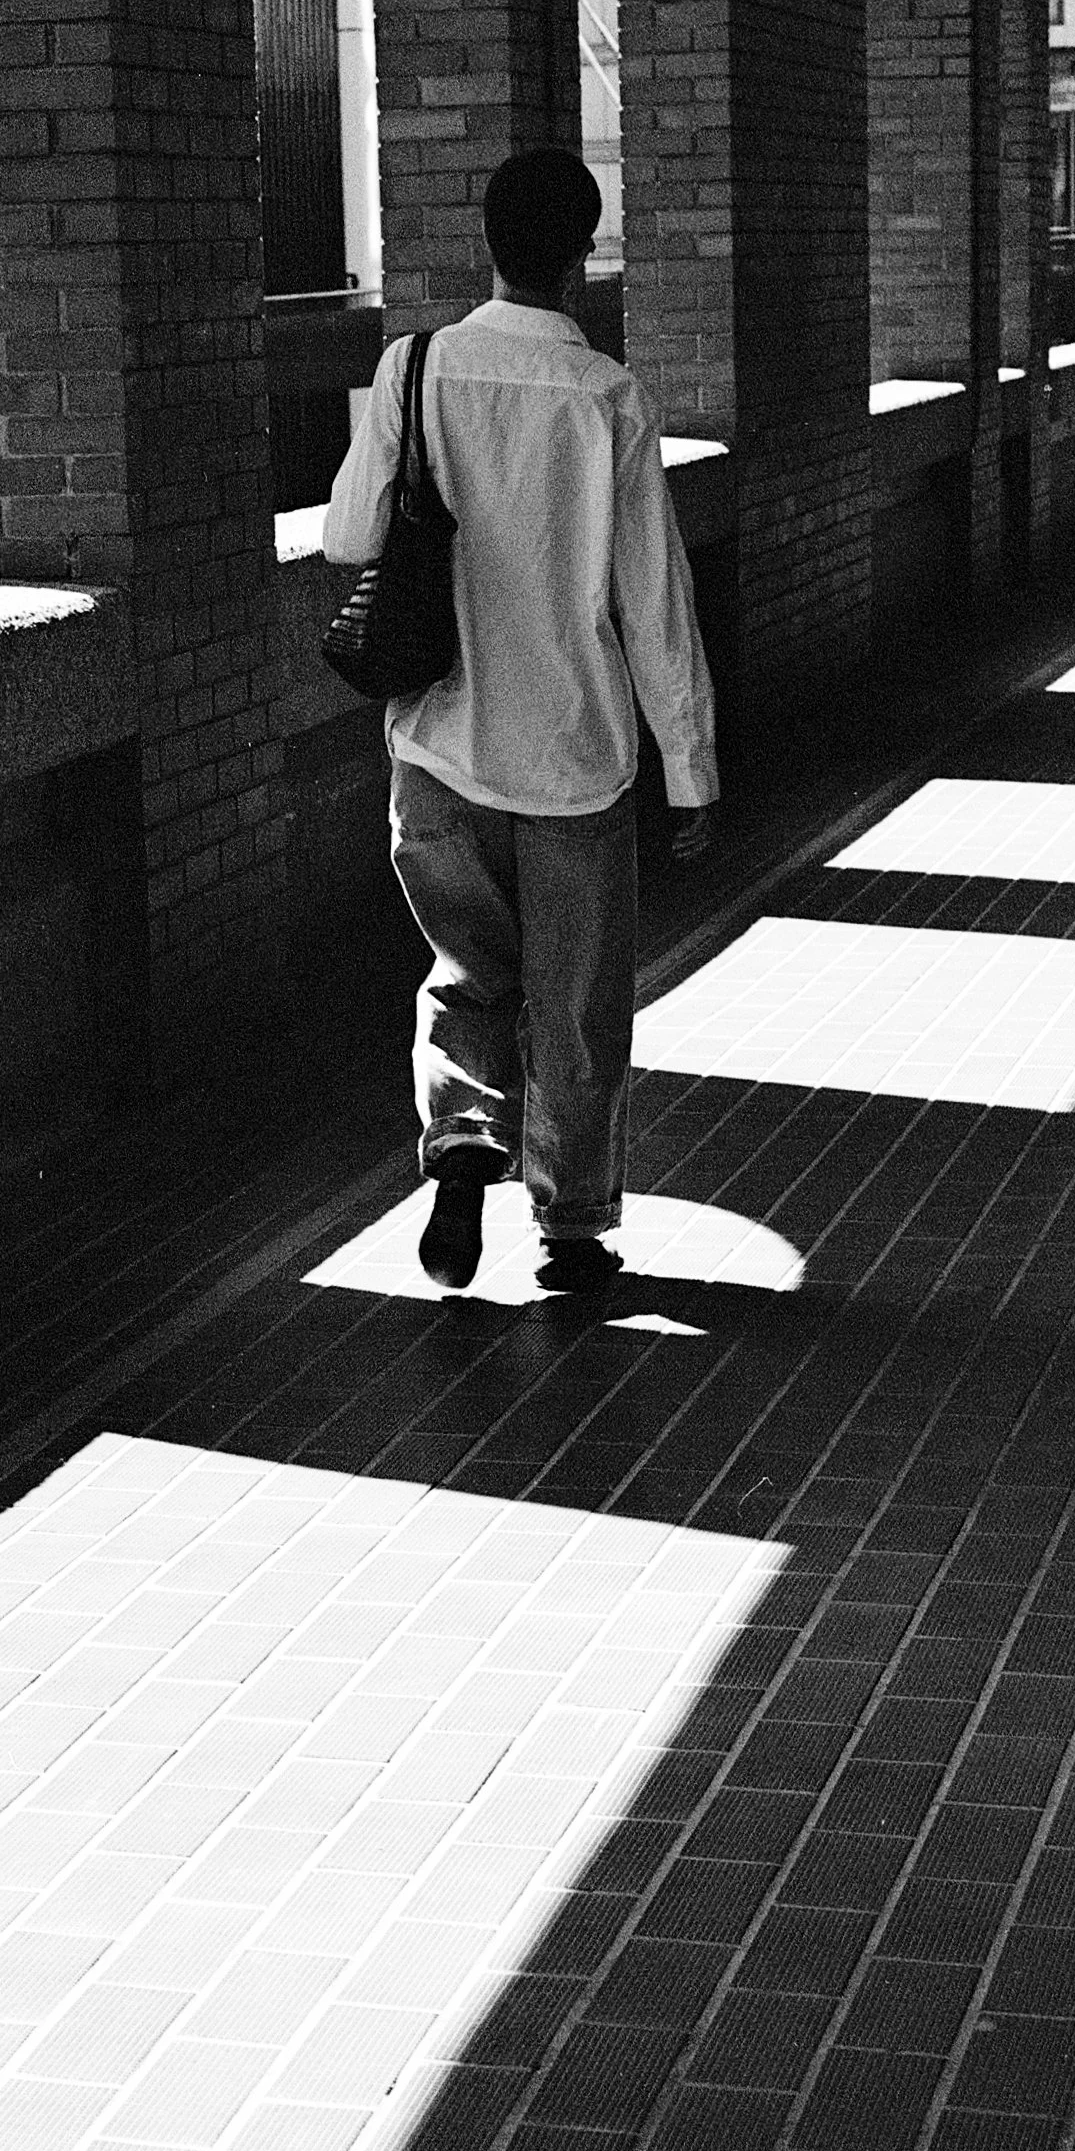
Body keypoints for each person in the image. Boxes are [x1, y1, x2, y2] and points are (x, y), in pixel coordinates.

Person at [323, 148, 719, 1295]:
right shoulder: (608, 396)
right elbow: (653, 598)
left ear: (488, 245)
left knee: (466, 971)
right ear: (580, 256)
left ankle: (462, 1138)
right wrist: (689, 768)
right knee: (578, 1003)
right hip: (574, 758)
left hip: (440, 749)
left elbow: (348, 537)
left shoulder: (415, 368)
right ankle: (573, 1226)